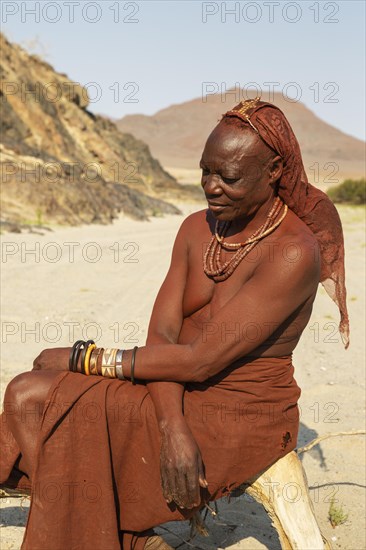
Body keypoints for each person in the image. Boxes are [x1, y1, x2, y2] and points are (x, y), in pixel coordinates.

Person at [0, 98, 349, 550]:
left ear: (274, 170)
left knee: (42, 396)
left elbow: (201, 361)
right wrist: (171, 426)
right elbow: (162, 338)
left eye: (229, 177)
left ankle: (120, 533)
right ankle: (127, 533)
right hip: (175, 386)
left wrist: (81, 357)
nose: (212, 186)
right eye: (206, 171)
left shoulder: (293, 252)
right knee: (25, 393)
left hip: (238, 413)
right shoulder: (195, 230)